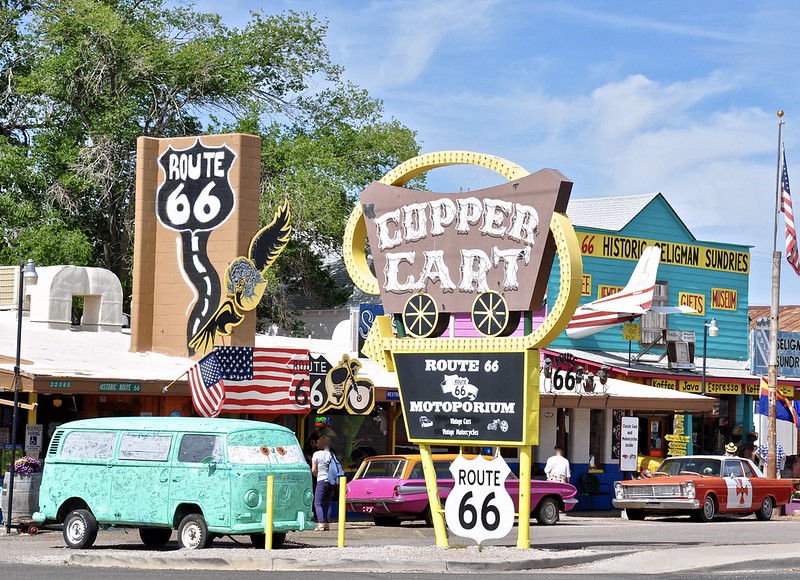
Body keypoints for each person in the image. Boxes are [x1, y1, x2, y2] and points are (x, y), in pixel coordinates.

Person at [311, 433, 334, 531]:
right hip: (330, 481)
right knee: (328, 502)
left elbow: (313, 470)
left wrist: (316, 475)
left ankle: (320, 523)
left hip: (321, 480)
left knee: (318, 502)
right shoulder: (330, 454)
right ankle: (327, 524)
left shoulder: (316, 454)